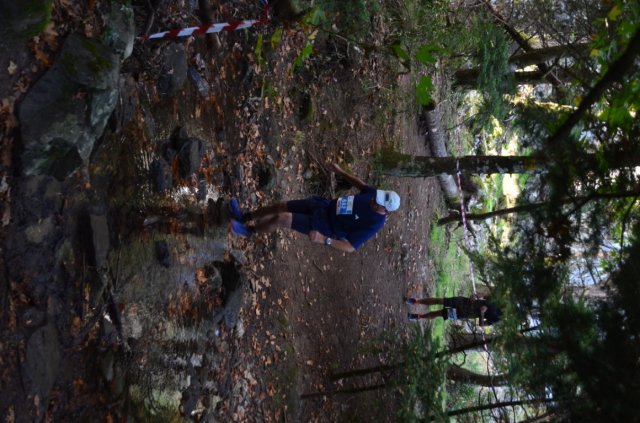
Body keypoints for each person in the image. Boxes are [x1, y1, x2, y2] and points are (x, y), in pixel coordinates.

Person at [229, 163, 400, 253]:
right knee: (280, 206)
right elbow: (361, 185)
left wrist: (324, 239)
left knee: (282, 218)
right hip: (324, 205)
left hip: (326, 226)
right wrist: (341, 172)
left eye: (378, 202)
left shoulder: (373, 224)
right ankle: (244, 217)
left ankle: (249, 231)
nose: (374, 199)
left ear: (385, 210)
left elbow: (350, 247)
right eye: (377, 197)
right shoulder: (376, 195)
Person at [405, 296, 502, 325]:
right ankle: (415, 301)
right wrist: (476, 296)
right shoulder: (498, 299)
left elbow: (482, 324)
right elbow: (484, 296)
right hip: (463, 302)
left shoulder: (498, 318)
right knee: (440, 300)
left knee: (439, 313)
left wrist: (482, 313)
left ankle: (417, 317)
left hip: (463, 313)